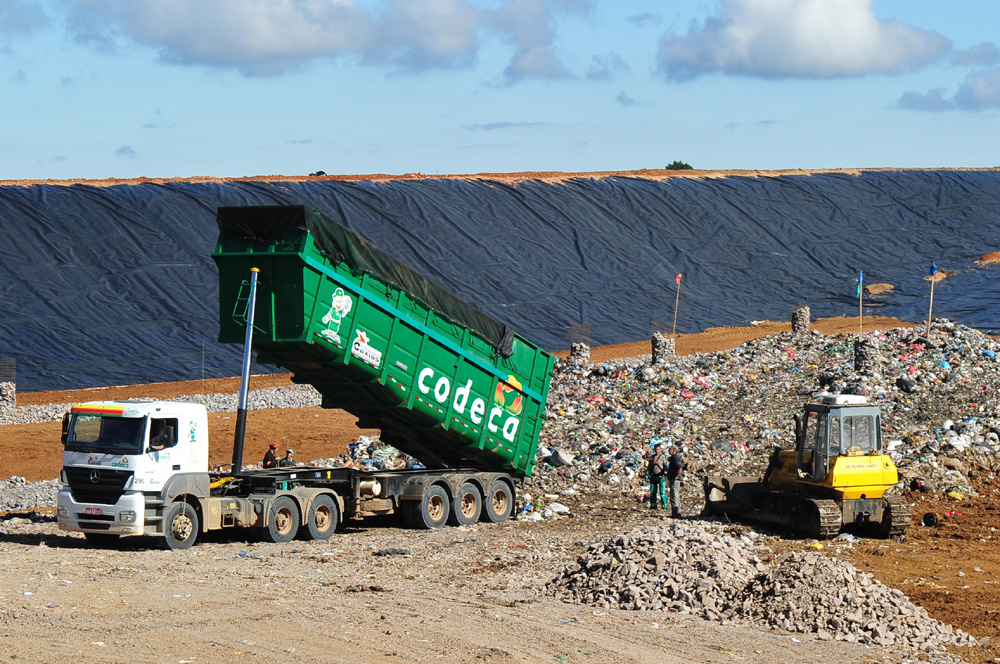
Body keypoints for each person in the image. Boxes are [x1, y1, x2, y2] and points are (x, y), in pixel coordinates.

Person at [646, 443, 668, 510]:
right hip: (653, 476)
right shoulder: (652, 457)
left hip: (661, 476)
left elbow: (666, 466)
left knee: (662, 491)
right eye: (656, 449)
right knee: (653, 491)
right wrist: (648, 474)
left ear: (660, 449)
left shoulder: (663, 457)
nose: (657, 451)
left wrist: (666, 473)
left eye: (658, 449)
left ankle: (664, 505)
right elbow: (649, 467)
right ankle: (653, 505)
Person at [667, 445, 686, 518]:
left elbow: (680, 467)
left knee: (674, 495)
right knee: (675, 495)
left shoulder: (675, 457)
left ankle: (676, 513)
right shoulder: (673, 458)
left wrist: (676, 477)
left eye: (670, 449)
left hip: (675, 480)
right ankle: (677, 512)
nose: (669, 451)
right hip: (673, 479)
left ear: (673, 450)